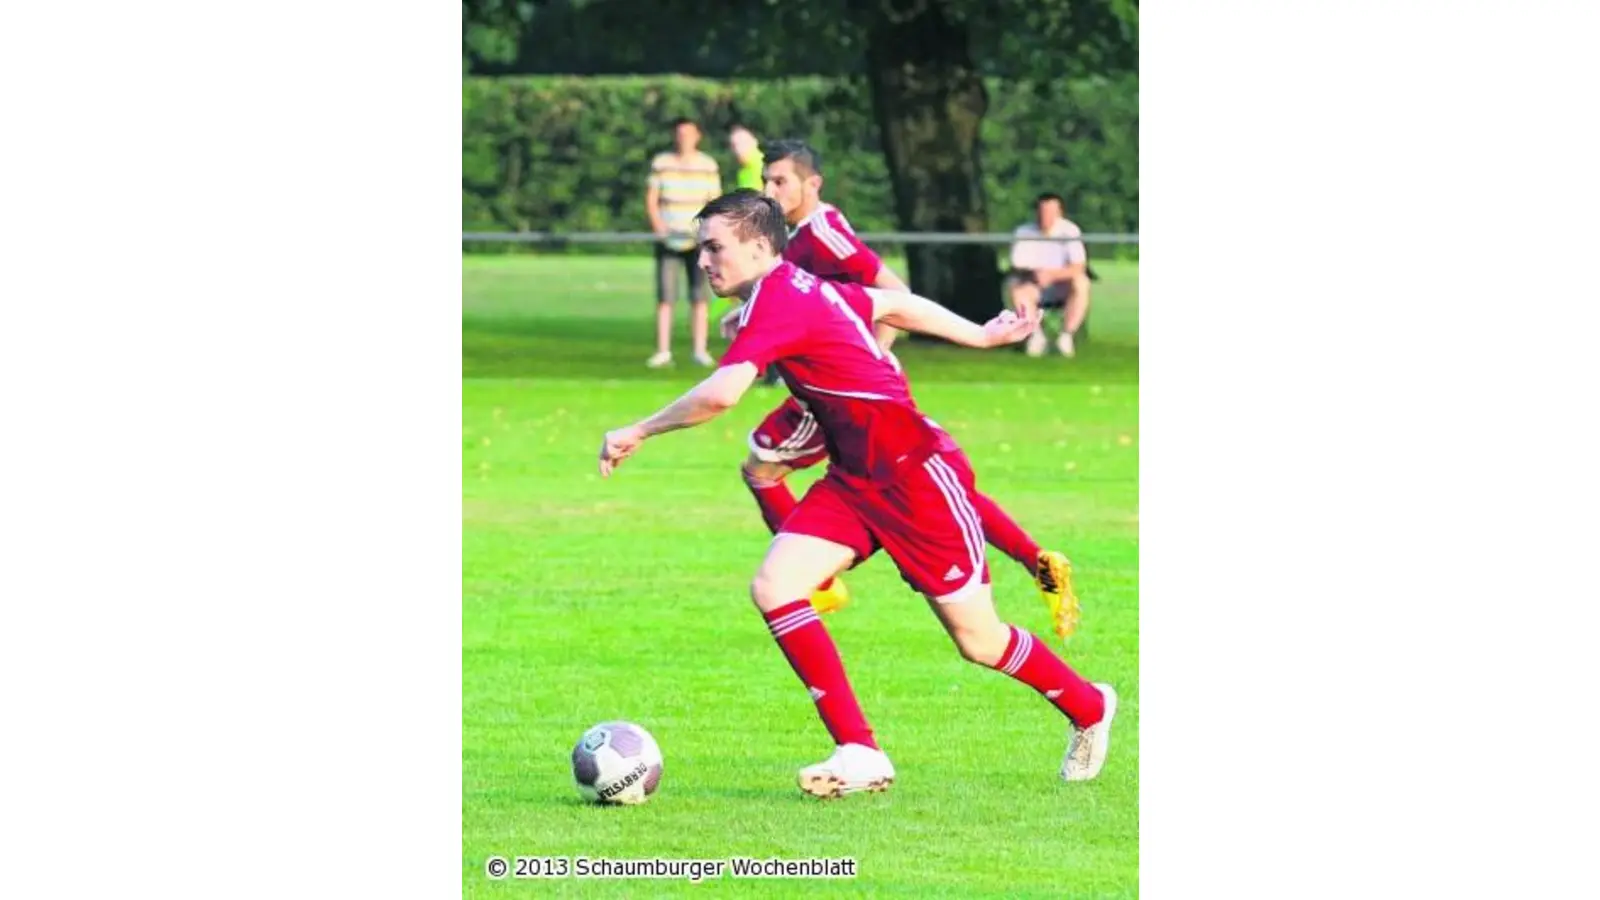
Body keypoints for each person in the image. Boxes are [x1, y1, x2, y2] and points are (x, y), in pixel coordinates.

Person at [598, 190, 1117, 796]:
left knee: (979, 641)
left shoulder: (780, 300)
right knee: (774, 586)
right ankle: (859, 749)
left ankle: (1089, 706)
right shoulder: (789, 289)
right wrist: (977, 335)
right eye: (701, 248)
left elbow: (720, 395)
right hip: (853, 482)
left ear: (761, 246)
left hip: (917, 479)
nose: (704, 261)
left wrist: (638, 429)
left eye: (716, 247)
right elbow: (892, 304)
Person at [728, 140, 1080, 640]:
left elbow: (893, 294)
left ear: (812, 184)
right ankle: (1037, 557)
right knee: (922, 477)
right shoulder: (797, 236)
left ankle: (819, 582)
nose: (769, 190)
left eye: (779, 181)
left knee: (762, 466)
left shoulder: (825, 232)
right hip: (843, 384)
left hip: (845, 389)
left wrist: (869, 357)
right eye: (766, 180)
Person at [644, 117, 722, 368]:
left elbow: (715, 202)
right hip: (669, 238)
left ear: (697, 136)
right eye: (679, 133)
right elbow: (652, 199)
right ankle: (663, 351)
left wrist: (709, 232)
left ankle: (699, 350)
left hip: (698, 240)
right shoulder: (662, 163)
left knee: (699, 296)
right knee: (666, 296)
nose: (683, 138)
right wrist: (659, 227)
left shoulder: (707, 165)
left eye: (688, 134)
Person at [1005, 193, 1091, 358]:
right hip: (1033, 285)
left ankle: (1066, 336)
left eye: (1051, 211)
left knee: (1082, 283)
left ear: (1059, 212)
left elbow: (1078, 267)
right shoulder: (1023, 232)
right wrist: (1036, 275)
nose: (1046, 216)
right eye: (1042, 211)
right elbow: (1017, 265)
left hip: (1062, 286)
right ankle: (1035, 335)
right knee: (1016, 288)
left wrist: (1053, 275)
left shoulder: (1070, 231)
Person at [728, 125, 764, 191]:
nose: (737, 149)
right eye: (734, 145)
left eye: (743, 143)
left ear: (754, 142)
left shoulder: (765, 165)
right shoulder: (741, 169)